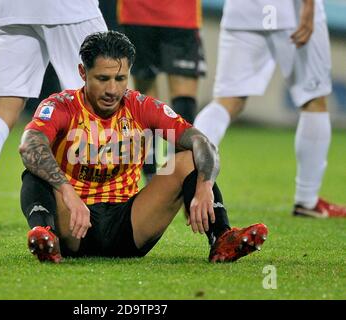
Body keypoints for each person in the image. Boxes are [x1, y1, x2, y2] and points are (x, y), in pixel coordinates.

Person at [18, 31, 268, 264]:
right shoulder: (62, 106)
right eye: (102, 79)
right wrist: (68, 193)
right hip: (73, 225)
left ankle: (222, 238)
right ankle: (45, 237)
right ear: (83, 73)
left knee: (189, 159)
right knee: (36, 167)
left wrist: (204, 186)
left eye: (120, 78)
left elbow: (201, 142)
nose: (112, 90)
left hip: (129, 227)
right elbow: (30, 145)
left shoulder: (141, 106)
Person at [0, 0, 108, 243]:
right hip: (67, 8)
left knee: (3, 107)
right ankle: (99, 214)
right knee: (102, 100)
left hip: (10, 10)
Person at [193, 0, 346, 218]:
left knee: (227, 101)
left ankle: (189, 179)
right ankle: (307, 199)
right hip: (288, 11)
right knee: (313, 98)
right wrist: (309, 7)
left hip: (242, 10)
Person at [118, 0, 206, 181]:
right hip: (179, 15)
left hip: (137, 13)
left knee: (146, 98)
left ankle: (152, 179)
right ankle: (175, 178)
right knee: (183, 98)